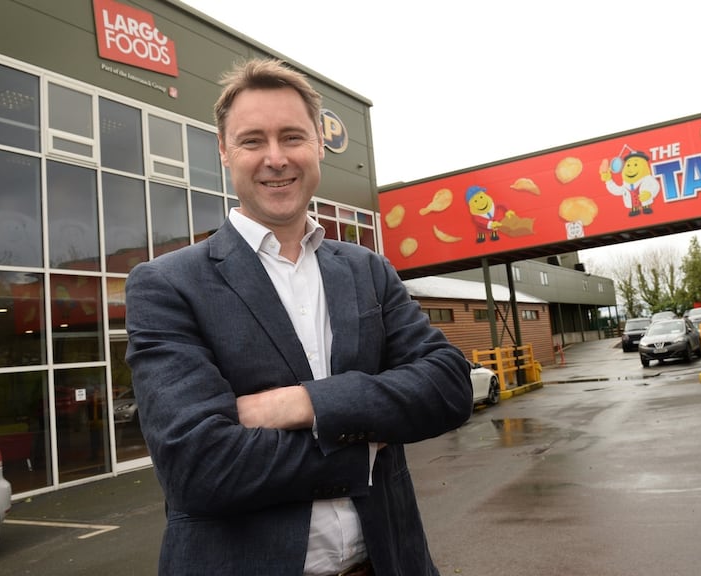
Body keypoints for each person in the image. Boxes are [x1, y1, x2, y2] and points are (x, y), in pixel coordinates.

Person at [125, 58, 473, 576]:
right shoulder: (167, 284)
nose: (275, 158)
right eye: (251, 141)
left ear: (318, 147)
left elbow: (447, 386)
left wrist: (304, 403)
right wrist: (367, 444)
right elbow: (199, 465)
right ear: (223, 151)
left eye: (292, 137)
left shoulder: (368, 270)